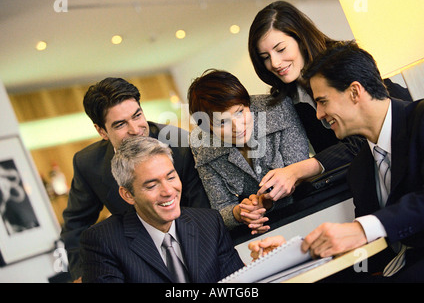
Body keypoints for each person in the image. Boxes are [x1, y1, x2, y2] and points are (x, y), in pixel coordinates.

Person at [249, 41, 424, 282]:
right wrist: (298, 256)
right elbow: (367, 251)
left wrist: (362, 229)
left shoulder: (421, 119)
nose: (319, 114)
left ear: (355, 92)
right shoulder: (361, 168)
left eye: (322, 101)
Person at [248, 0, 413, 202]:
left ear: (301, 39)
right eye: (265, 56)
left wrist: (298, 170)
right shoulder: (288, 100)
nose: (274, 63)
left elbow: (367, 139)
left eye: (281, 49)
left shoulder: (345, 62)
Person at [60, 77, 210, 281]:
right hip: (134, 261)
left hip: (192, 248)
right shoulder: (87, 163)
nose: (136, 130)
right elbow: (75, 225)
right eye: (120, 124)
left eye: (137, 115)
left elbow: (202, 213)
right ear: (101, 131)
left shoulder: (182, 145)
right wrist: (80, 275)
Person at [80, 136, 244, 282]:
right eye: (152, 185)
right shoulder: (103, 242)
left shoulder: (209, 222)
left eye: (171, 177)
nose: (169, 191)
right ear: (128, 194)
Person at [188, 69, 309, 233]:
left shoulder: (276, 108)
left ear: (247, 103)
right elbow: (221, 208)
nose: (237, 127)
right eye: (222, 122)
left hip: (308, 208)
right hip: (256, 232)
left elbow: (300, 172)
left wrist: (267, 201)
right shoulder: (201, 144)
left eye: (240, 112)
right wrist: (238, 213)